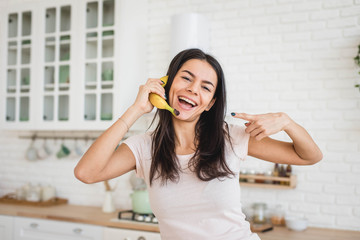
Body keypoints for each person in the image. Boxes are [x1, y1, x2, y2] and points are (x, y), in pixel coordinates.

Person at [74, 48, 322, 240]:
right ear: (167, 84)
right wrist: (136, 109)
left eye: (205, 87)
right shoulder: (143, 147)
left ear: (211, 103)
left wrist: (287, 122)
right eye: (186, 78)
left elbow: (309, 156)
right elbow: (86, 173)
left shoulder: (231, 137)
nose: (193, 89)